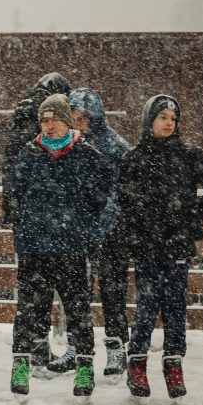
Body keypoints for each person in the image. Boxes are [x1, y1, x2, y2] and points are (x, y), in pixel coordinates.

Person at [116, 95, 203, 405]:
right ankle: (137, 363)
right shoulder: (134, 158)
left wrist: (198, 211)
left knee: (176, 308)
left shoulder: (189, 155)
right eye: (162, 116)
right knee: (147, 306)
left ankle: (173, 362)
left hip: (177, 244)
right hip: (148, 245)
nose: (168, 122)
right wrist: (135, 233)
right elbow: (124, 204)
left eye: (173, 118)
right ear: (149, 119)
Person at [6, 94, 112, 404]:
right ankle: (20, 364)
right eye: (44, 120)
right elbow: (12, 196)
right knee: (28, 310)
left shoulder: (87, 155)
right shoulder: (27, 155)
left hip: (72, 248)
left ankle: (84, 367)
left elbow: (100, 198)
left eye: (54, 119)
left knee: (79, 311)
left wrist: (82, 227)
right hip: (34, 248)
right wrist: (24, 226)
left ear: (67, 122)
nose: (49, 125)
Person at [38, 88, 133, 380]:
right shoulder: (68, 145)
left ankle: (117, 348)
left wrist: (101, 224)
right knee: (76, 294)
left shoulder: (114, 147)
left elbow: (120, 191)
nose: (78, 122)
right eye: (74, 117)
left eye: (83, 117)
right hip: (76, 233)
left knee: (112, 290)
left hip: (111, 232)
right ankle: (78, 348)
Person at [2, 72, 71, 372]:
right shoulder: (46, 126)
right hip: (52, 219)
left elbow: (10, 174)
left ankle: (30, 348)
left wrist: (14, 212)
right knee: (59, 287)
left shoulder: (21, 121)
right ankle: (42, 349)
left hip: (28, 221)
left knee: (31, 291)